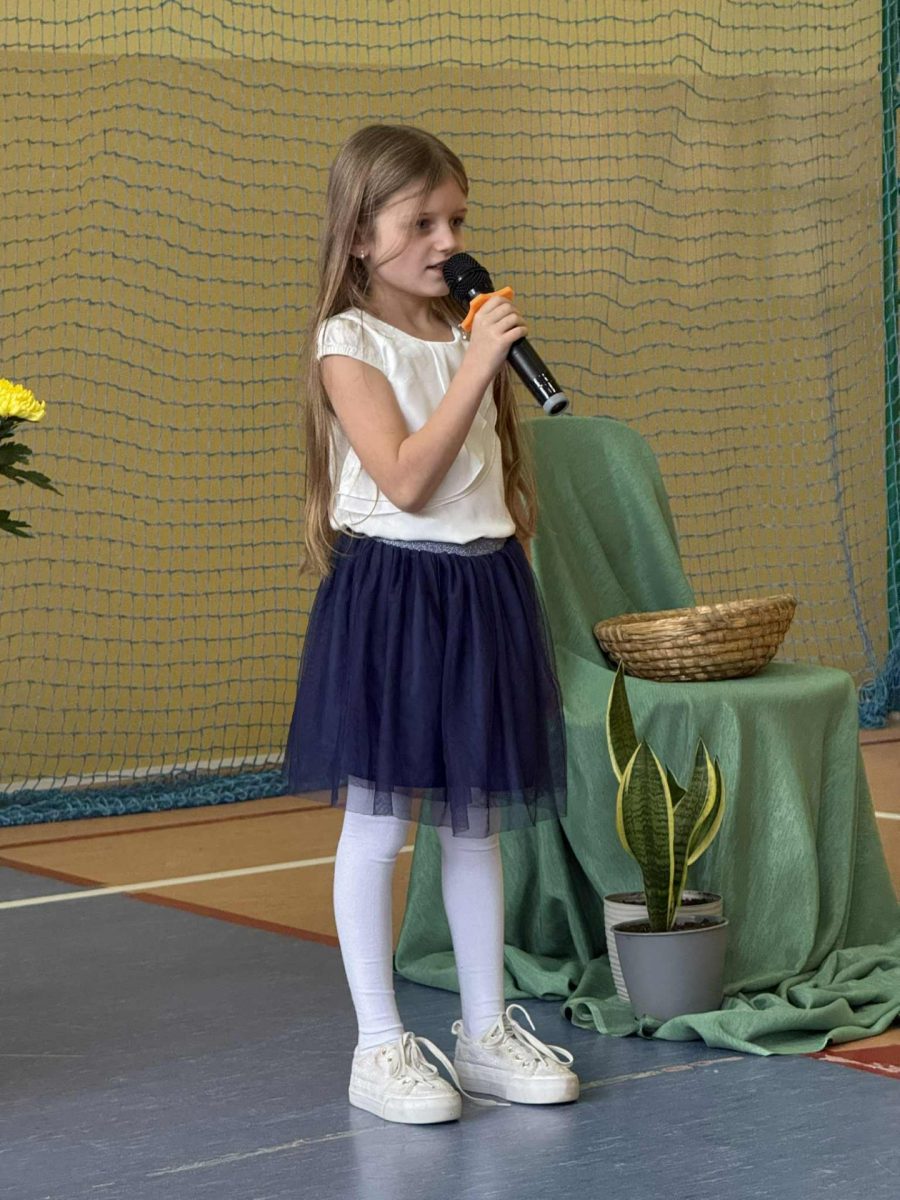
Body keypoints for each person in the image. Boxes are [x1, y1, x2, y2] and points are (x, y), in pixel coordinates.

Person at [282, 124, 577, 1125]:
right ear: (361, 235)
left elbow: (479, 476)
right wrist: (476, 363)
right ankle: (378, 1044)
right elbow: (407, 481)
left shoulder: (462, 330)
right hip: (395, 594)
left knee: (473, 822)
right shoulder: (348, 343)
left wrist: (477, 355)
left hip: (480, 588)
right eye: (421, 223)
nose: (448, 241)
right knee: (379, 823)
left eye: (457, 219)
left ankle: (486, 1031)